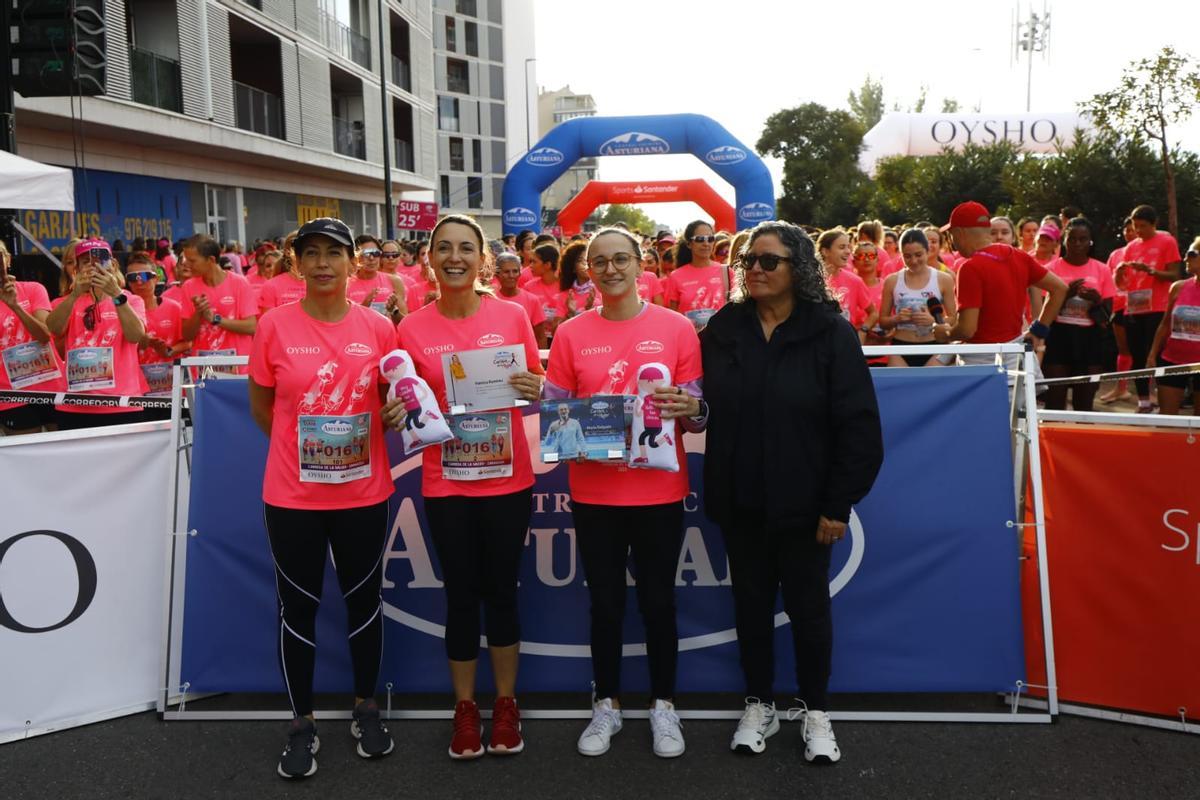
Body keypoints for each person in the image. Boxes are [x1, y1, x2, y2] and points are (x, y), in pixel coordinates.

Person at [700, 221, 883, 763]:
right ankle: (759, 704)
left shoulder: (830, 331)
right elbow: (696, 399)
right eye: (748, 262)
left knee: (808, 612)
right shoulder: (724, 328)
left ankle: (815, 710)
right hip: (740, 501)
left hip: (808, 509)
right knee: (751, 608)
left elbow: (859, 427)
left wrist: (836, 504)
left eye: (768, 261)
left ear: (797, 269)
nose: (754, 269)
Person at [248, 217, 401, 779]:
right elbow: (263, 406)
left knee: (364, 602)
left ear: (352, 263)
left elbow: (391, 400)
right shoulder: (274, 325)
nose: (322, 264)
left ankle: (366, 707)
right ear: (296, 264)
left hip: (364, 492)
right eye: (310, 254)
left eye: (333, 254)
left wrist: (384, 420)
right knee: (299, 608)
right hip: (292, 495)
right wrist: (304, 452)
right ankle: (302, 722)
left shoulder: (380, 327)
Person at [543, 226, 704, 760]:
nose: (610, 270)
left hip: (658, 490)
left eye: (620, 260)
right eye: (599, 262)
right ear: (587, 271)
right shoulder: (569, 333)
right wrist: (571, 428)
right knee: (605, 605)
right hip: (594, 494)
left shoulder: (678, 328)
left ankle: (664, 704)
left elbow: (697, 405)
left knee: (660, 603)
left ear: (641, 265)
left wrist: (687, 405)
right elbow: (555, 412)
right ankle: (606, 704)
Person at [396, 214, 543, 760]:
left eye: (466, 248)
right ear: (429, 258)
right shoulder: (410, 328)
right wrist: (396, 409)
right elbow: (407, 401)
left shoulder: (512, 314)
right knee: (460, 595)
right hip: (446, 482)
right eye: (444, 248)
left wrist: (536, 385)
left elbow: (532, 386)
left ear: (483, 260)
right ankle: (464, 709)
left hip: (507, 478)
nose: (454, 257)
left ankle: (505, 704)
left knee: (502, 590)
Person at [933, 202, 1068, 372]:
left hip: (982, 363)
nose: (952, 242)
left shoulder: (970, 268)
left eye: (951, 235)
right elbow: (1060, 289)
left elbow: (967, 329)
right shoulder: (1018, 256)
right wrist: (1038, 331)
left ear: (959, 233)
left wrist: (945, 333)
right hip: (1015, 359)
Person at [45, 238, 149, 429]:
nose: (93, 267)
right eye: (86, 262)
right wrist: (75, 294)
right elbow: (53, 329)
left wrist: (117, 294)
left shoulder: (131, 300)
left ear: (113, 264)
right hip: (75, 405)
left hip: (121, 404)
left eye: (100, 260)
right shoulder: (64, 302)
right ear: (76, 268)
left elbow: (135, 336)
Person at [1043, 219, 1116, 411]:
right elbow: (1044, 312)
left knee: (1084, 403)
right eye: (1072, 239)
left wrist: (1097, 300)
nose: (1077, 244)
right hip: (1058, 337)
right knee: (1055, 400)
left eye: (1083, 239)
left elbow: (1107, 316)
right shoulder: (1052, 269)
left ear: (1090, 242)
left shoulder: (1102, 269)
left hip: (1089, 339)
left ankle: (1082, 440)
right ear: (1064, 241)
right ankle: (1052, 439)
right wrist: (1065, 296)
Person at [1117, 204, 1184, 412]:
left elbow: (1175, 275)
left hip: (1158, 307)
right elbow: (1122, 282)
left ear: (1154, 224)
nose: (1138, 231)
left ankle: (1165, 401)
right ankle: (1143, 401)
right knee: (1136, 355)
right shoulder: (1131, 247)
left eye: (1143, 226)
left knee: (1157, 354)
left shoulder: (1166, 241)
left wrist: (1151, 271)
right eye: (1135, 226)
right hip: (1134, 307)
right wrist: (1119, 272)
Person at [0, 240, 64, 434]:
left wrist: (16, 307)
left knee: (65, 455)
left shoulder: (33, 289)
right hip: (12, 395)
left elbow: (45, 335)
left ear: (8, 259)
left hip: (52, 386)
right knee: (27, 460)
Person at [177, 235, 258, 373]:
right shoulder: (188, 287)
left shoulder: (239, 283)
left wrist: (215, 319)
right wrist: (198, 313)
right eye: (185, 259)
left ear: (211, 260)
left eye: (192, 261)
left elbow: (251, 327)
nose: (187, 265)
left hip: (238, 369)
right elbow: (187, 336)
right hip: (204, 372)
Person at [878, 229, 957, 367]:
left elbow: (954, 319)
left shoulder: (944, 279)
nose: (914, 261)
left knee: (931, 388)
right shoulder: (892, 280)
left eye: (918, 255)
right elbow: (883, 322)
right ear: (901, 254)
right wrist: (896, 319)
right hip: (901, 347)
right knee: (899, 388)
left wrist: (933, 321)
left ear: (927, 251)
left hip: (934, 345)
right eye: (907, 256)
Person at [125, 253, 190, 405]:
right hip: (137, 388)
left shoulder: (174, 308)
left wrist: (169, 350)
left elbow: (188, 342)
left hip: (170, 387)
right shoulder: (124, 311)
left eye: (144, 276)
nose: (139, 282)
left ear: (156, 278)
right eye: (133, 277)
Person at [1148, 238, 1200, 415]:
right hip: (1172, 359)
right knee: (1167, 420)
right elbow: (1165, 324)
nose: (1185, 258)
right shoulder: (1178, 287)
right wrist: (1152, 355)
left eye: (1191, 254)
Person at [1099, 218, 1138, 404]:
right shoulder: (1116, 254)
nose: (1130, 233)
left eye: (1134, 229)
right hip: (1119, 306)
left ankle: (1148, 394)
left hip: (1143, 309)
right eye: (1127, 230)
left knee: (1144, 351)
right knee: (1123, 350)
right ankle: (1120, 389)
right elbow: (1106, 279)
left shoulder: (1148, 251)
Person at [817, 229, 878, 344]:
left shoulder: (854, 281)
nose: (848, 251)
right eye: (841, 247)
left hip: (844, 344)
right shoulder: (810, 280)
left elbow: (873, 313)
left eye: (848, 247)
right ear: (825, 251)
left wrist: (863, 331)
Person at [664, 221, 727, 330]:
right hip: (689, 341)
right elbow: (672, 317)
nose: (706, 243)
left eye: (710, 239)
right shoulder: (676, 276)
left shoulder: (726, 272)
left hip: (721, 342)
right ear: (689, 243)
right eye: (700, 239)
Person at [346, 234, 410, 323]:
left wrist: (393, 311)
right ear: (355, 257)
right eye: (366, 254)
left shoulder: (394, 281)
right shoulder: (346, 284)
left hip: (388, 336)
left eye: (375, 253)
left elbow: (404, 323)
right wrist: (363, 308)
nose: (371, 258)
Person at [494, 252, 548, 348]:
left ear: (520, 273)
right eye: (506, 272)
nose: (511, 275)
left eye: (515, 271)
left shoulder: (532, 300)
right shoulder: (490, 300)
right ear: (497, 274)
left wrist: (542, 362)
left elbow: (540, 336)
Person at [524, 243, 567, 339]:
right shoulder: (528, 287)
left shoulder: (566, 286)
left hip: (560, 338)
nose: (530, 266)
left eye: (534, 262)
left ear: (548, 265)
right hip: (538, 339)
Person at [258, 231, 307, 314]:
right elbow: (268, 324)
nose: (306, 254)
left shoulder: (321, 283)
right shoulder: (271, 286)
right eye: (300, 249)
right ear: (288, 253)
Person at [560, 240, 597, 318]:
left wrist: (589, 310)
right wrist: (570, 314)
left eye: (588, 259)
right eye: (580, 260)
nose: (586, 264)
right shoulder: (565, 295)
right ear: (573, 267)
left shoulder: (604, 290)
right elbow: (556, 329)